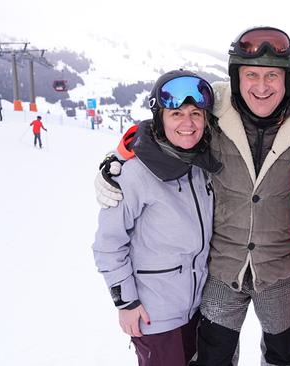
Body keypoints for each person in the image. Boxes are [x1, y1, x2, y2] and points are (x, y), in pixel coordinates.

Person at [94, 26, 290, 366]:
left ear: (288, 78)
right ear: (236, 76)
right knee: (213, 356)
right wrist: (117, 157)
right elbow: (161, 129)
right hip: (222, 268)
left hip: (281, 268)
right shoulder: (217, 111)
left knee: (282, 354)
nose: (261, 87)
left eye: (272, 76)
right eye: (251, 75)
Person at [92, 70, 221, 366]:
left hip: (197, 308)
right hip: (156, 314)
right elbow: (108, 245)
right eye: (176, 114)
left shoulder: (202, 164)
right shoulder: (134, 174)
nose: (188, 124)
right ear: (160, 118)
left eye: (196, 114)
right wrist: (126, 302)